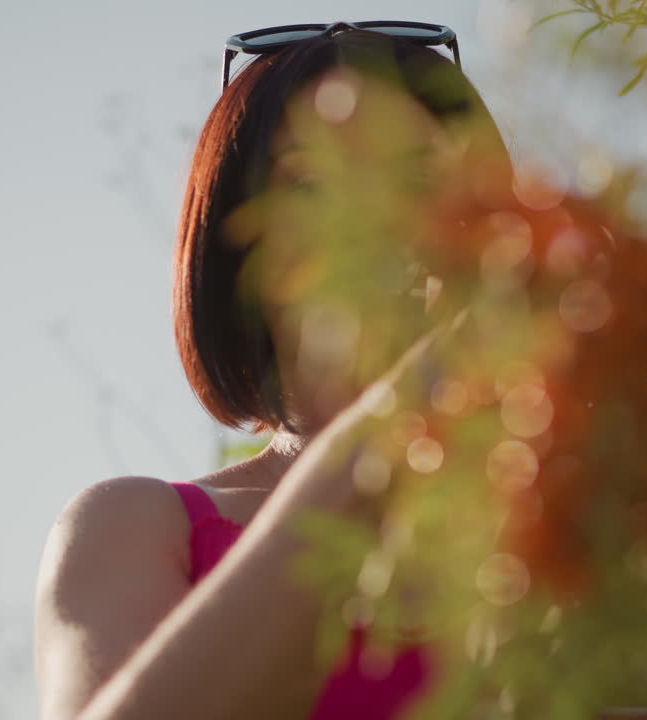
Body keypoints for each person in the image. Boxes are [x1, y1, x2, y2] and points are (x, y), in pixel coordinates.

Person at [33, 23, 510, 720]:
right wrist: (400, 417)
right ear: (234, 245)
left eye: (419, 181)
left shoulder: (578, 517)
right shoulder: (133, 526)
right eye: (311, 184)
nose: (376, 220)